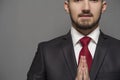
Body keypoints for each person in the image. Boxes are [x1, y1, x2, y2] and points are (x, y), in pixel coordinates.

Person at [27, 0, 120, 80]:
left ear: (103, 7)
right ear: (67, 6)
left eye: (93, 0)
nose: (86, 8)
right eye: (77, 0)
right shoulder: (46, 52)